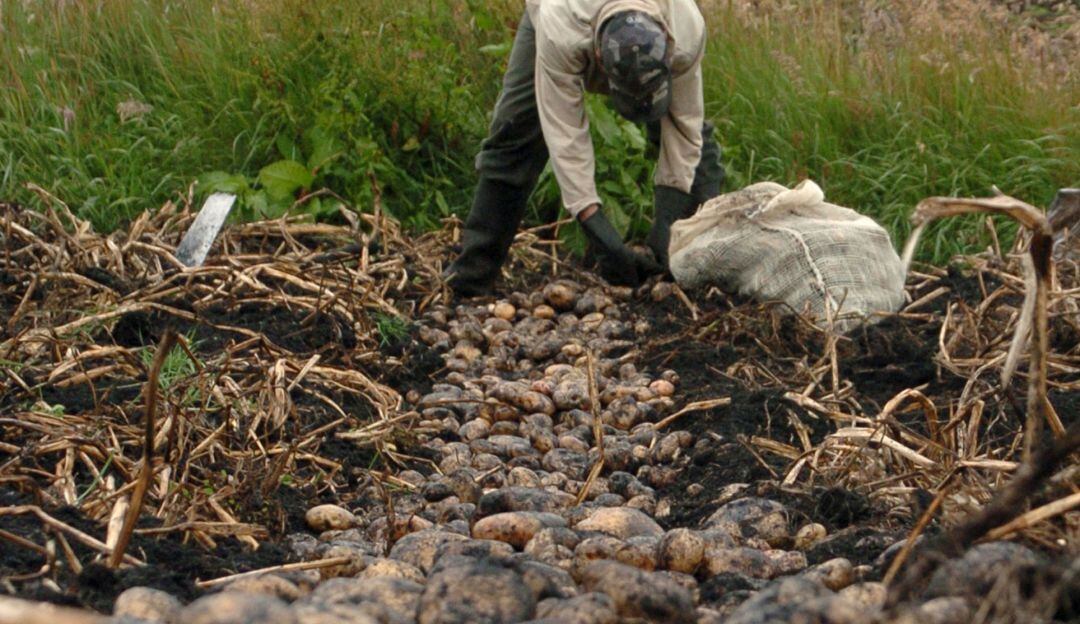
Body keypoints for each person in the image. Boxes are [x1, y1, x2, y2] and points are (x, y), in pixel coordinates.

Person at [445, 0, 724, 297]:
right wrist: (595, 225)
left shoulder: (685, 29)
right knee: (516, 131)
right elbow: (564, 135)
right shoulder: (559, 28)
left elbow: (684, 127)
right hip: (566, 18)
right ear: (599, 58)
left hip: (653, 34)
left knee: (694, 143)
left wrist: (668, 219)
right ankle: (472, 277)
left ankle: (701, 269)